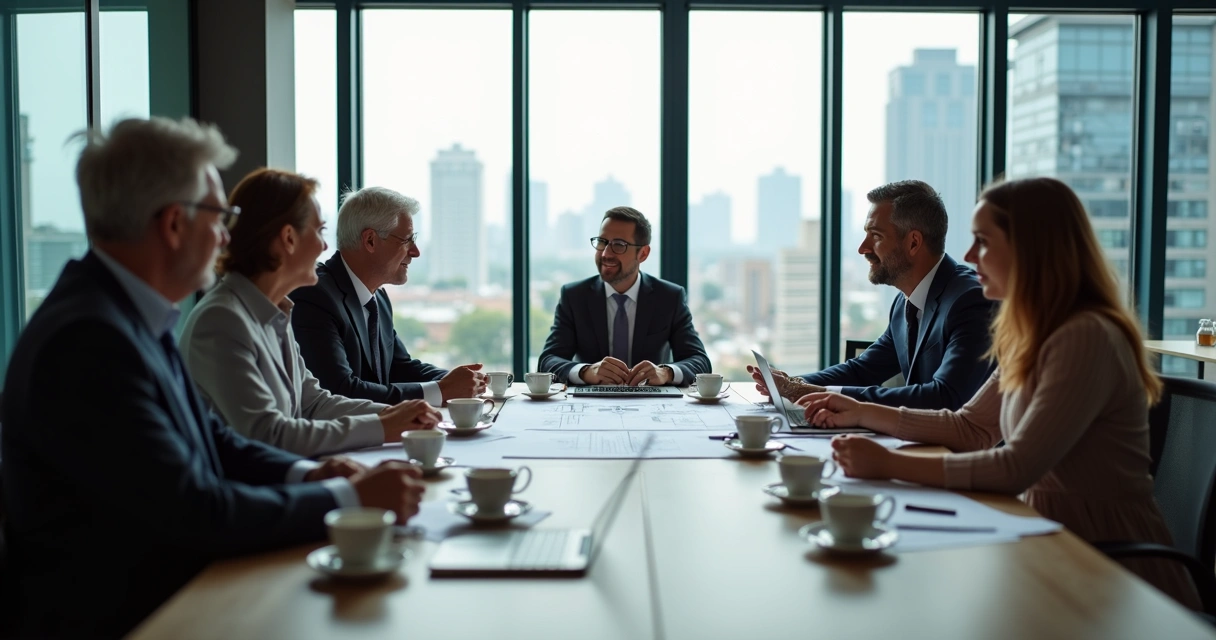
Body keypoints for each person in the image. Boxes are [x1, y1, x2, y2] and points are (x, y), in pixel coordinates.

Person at [0, 118, 425, 638]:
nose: (227, 234)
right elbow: (193, 511)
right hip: (132, 617)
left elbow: (215, 442)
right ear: (174, 224)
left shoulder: (127, 316)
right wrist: (347, 501)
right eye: (219, 215)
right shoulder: (90, 340)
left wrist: (310, 476)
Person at [800, 177, 1200, 609]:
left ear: (1032, 248)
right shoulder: (1030, 332)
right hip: (1042, 540)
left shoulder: (1085, 336)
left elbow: (1017, 466)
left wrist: (889, 463)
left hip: (1109, 567)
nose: (969, 257)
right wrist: (860, 411)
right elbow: (971, 427)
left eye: (984, 242)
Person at [179, 169, 442, 457]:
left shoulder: (273, 313)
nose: (325, 246)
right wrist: (384, 425)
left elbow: (315, 403)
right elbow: (269, 434)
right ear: (289, 238)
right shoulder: (222, 320)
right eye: (319, 232)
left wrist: (402, 414)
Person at [749, 180, 995, 410]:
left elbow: (945, 397)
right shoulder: (905, 302)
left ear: (913, 243)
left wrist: (827, 395)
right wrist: (790, 385)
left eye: (876, 236)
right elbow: (863, 370)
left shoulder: (970, 301)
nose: (862, 248)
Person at [290, 186, 486, 406]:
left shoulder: (378, 298)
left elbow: (400, 368)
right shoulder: (315, 295)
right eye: (406, 240)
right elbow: (339, 390)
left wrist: (465, 380)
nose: (416, 251)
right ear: (370, 240)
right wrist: (441, 390)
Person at [538, 206, 711, 386]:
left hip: (651, 405)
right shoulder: (574, 297)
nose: (606, 253)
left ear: (643, 253)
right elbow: (548, 361)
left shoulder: (669, 297)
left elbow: (700, 362)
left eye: (619, 245)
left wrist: (666, 373)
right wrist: (585, 371)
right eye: (602, 242)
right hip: (590, 405)